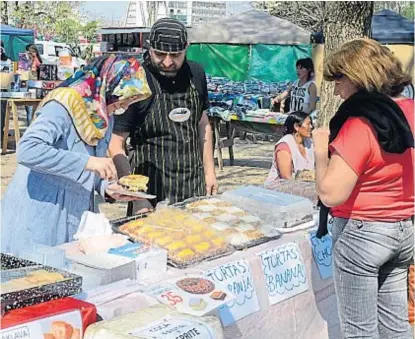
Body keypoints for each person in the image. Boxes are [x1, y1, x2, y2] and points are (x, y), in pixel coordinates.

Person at [313, 38, 414, 338]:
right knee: (396, 327)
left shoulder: (361, 122)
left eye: (339, 79)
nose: (335, 89)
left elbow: (331, 193)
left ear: (358, 76)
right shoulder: (409, 111)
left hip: (362, 234)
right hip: (403, 229)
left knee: (360, 332)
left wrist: (320, 152)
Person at [1, 54, 151, 253]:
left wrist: (107, 186)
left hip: (75, 214)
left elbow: (89, 163)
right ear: (108, 84)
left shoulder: (103, 114)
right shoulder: (63, 104)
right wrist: (87, 162)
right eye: (123, 98)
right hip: (40, 212)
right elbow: (28, 149)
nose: (123, 106)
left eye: (130, 101)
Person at [109, 17, 217, 214]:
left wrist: (210, 173)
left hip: (193, 185)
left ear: (186, 48)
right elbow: (115, 144)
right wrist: (136, 196)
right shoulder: (135, 81)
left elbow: (203, 125)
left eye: (175, 55)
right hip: (150, 193)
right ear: (150, 48)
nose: (168, 62)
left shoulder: (196, 73)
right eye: (160, 54)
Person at [264, 111, 314, 185]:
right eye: (308, 124)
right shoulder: (284, 146)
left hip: (304, 186)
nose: (311, 127)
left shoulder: (310, 143)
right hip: (279, 188)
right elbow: (286, 178)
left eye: (311, 124)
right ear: (296, 126)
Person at [25, 44, 43, 124]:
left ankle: (31, 128)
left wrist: (33, 60)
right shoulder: (26, 59)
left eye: (30, 52)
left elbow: (41, 70)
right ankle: (29, 127)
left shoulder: (37, 60)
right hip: (28, 83)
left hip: (35, 84)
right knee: (28, 109)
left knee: (32, 109)